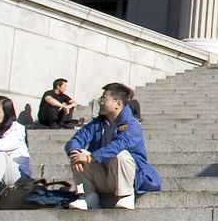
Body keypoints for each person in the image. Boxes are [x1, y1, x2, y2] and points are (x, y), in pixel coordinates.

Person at [63, 82, 160, 210]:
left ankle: (126, 195)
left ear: (118, 103)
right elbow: (77, 139)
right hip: (104, 176)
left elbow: (119, 145)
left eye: (104, 99)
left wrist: (90, 158)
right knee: (78, 153)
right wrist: (74, 152)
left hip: (129, 178)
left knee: (121, 155)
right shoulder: (98, 123)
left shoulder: (131, 124)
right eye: (100, 99)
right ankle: (89, 196)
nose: (100, 103)